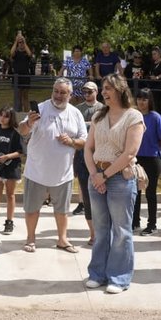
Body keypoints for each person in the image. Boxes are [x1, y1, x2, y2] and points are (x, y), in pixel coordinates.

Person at [84, 73, 144, 293]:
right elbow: (88, 148)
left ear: (120, 89)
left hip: (120, 178)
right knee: (101, 230)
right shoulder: (99, 116)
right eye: (103, 88)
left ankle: (119, 278)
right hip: (97, 176)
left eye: (108, 88)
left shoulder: (133, 116)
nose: (104, 92)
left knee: (121, 231)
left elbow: (130, 153)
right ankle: (97, 274)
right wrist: (94, 174)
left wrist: (105, 175)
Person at [18, 77, 87, 253]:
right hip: (37, 170)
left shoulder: (75, 113)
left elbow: (84, 141)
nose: (58, 95)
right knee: (32, 208)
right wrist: (29, 123)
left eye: (63, 92)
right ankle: (31, 238)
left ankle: (63, 239)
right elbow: (22, 130)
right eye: (56, 91)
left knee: (62, 210)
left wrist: (71, 141)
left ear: (70, 94)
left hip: (63, 173)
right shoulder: (40, 108)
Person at [132, 88, 161, 235]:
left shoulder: (156, 117)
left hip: (152, 159)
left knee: (151, 193)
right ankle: (134, 222)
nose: (141, 102)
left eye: (144, 99)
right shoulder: (133, 116)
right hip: (136, 159)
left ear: (150, 101)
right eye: (139, 98)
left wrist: (152, 149)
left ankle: (152, 224)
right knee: (135, 192)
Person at [72, 81, 104, 243]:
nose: (87, 94)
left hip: (100, 156)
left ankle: (102, 230)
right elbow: (75, 131)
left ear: (96, 92)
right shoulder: (78, 109)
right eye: (84, 91)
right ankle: (93, 233)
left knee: (101, 193)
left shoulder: (103, 109)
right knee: (86, 193)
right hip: (81, 154)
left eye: (90, 91)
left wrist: (87, 126)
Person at [0, 106, 23, 235]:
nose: (2, 118)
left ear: (11, 118)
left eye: (6, 116)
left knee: (10, 195)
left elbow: (20, 151)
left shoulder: (15, 132)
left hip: (11, 167)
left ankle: (9, 221)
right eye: (1, 115)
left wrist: (7, 156)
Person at [10, 32, 34, 112]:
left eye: (22, 42)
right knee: (18, 96)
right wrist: (16, 41)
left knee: (25, 96)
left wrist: (24, 41)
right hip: (17, 76)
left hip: (25, 76)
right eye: (19, 43)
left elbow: (30, 54)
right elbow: (11, 53)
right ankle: (18, 112)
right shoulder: (16, 53)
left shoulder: (26, 53)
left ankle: (26, 112)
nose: (21, 44)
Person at [147, 46, 161, 112]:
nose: (153, 56)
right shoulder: (153, 63)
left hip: (160, 84)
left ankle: (158, 114)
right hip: (152, 83)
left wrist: (157, 77)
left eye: (155, 54)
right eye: (152, 54)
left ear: (159, 54)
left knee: (157, 100)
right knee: (152, 99)